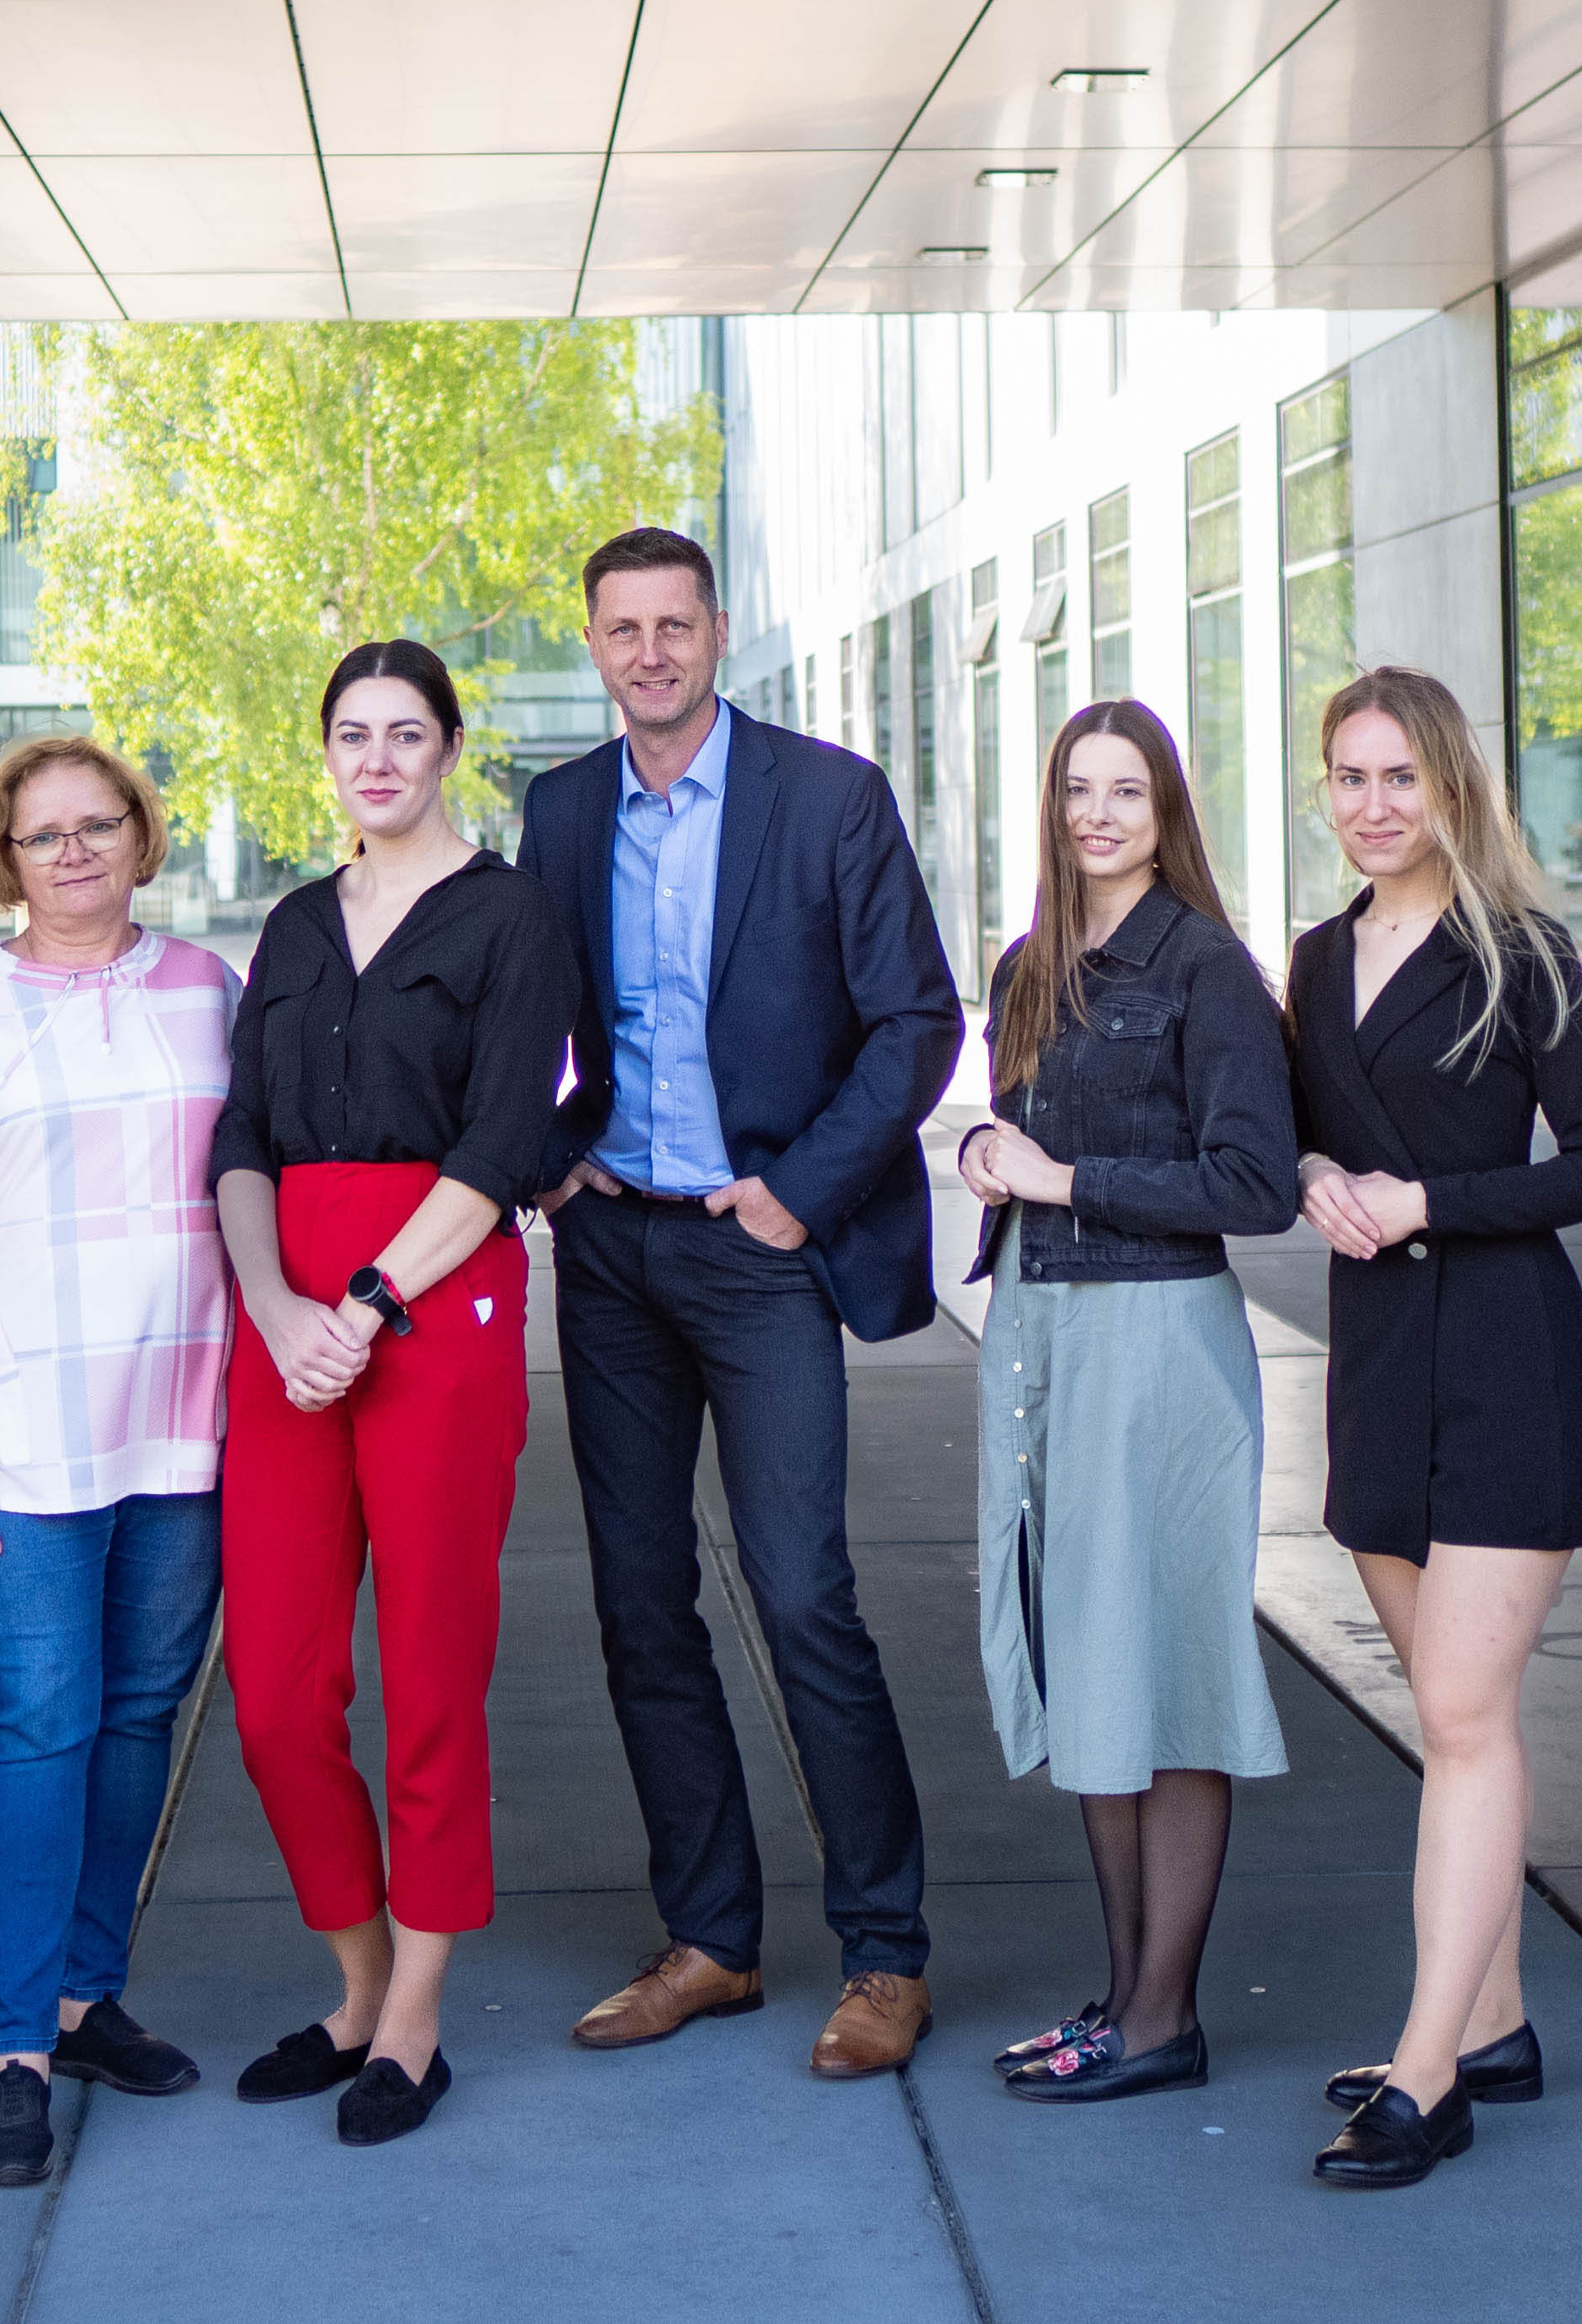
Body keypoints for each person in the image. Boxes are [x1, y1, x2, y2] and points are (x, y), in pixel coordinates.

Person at [517, 528, 963, 2081]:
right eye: (620, 628)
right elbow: (522, 1015)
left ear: (718, 631)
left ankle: (887, 1952)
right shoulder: (563, 810)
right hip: (614, 1253)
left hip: (761, 1247)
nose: (648, 652)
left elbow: (916, 1020)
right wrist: (554, 1161)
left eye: (673, 624)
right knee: (640, 1604)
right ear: (594, 644)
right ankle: (710, 1937)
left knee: (802, 1593)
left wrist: (799, 1191)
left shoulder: (828, 797)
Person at [209, 641, 579, 2149]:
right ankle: (356, 1983)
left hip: (434, 1302)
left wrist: (365, 1305)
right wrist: (274, 1303)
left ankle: (413, 2020)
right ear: (326, 753)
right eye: (352, 734)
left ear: (449, 748)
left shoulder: (510, 915)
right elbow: (241, 1131)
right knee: (276, 1693)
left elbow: (502, 1142)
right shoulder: (296, 921)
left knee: (430, 1674)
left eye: (406, 733)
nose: (377, 759)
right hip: (286, 1315)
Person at [0, 735, 236, 2189]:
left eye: (99, 823)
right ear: (4, 858)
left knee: (140, 1710)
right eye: (43, 834)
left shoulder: (212, 990)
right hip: (15, 1430)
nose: (74, 851)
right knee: (36, 1719)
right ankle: (15, 2051)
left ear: (141, 834)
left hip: (186, 1414)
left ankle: (87, 1999)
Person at [1285, 666, 1582, 2190]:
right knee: (1451, 1717)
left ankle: (1428, 2071)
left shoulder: (1521, 952)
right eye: (1350, 777)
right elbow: (1296, 1131)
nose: (1374, 805)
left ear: (1450, 786)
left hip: (1507, 1359)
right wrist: (1315, 1173)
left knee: (1463, 1711)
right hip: (1377, 1366)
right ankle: (1492, 2024)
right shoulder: (1314, 960)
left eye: (1400, 777)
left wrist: (1430, 1197)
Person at [954, 702, 1298, 2105]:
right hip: (1043, 1324)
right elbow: (1029, 1139)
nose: (1098, 814)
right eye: (1077, 789)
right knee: (1087, 1656)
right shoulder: (1026, 967)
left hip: (1159, 1346)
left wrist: (1064, 1180)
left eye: (1127, 791)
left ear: (1166, 812)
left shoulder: (1208, 968)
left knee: (1172, 1667)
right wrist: (989, 1156)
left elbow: (1255, 1186)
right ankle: (1120, 1998)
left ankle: (1163, 2018)